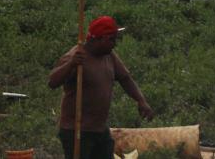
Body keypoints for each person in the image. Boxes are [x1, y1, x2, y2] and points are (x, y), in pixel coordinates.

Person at [49, 16, 154, 159]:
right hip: (77, 130)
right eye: (111, 39)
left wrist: (141, 100)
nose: (114, 44)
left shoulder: (109, 56)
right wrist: (71, 64)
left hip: (99, 128)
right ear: (99, 39)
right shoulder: (76, 56)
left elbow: (125, 78)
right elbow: (52, 82)